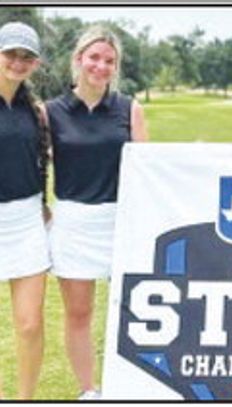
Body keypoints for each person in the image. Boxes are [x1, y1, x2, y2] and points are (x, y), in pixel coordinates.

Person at [45, 25, 148, 400]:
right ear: (78, 60)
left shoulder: (129, 108)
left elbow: (146, 170)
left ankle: (137, 383)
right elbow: (36, 162)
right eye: (94, 58)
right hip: (73, 223)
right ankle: (89, 391)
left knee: (136, 310)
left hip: (121, 222)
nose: (101, 66)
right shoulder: (51, 112)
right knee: (79, 314)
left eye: (109, 61)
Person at [0, 22, 50, 399]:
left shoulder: (35, 111)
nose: (18, 62)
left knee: (30, 324)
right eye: (10, 53)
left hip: (27, 221)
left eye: (26, 56)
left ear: (35, 64)